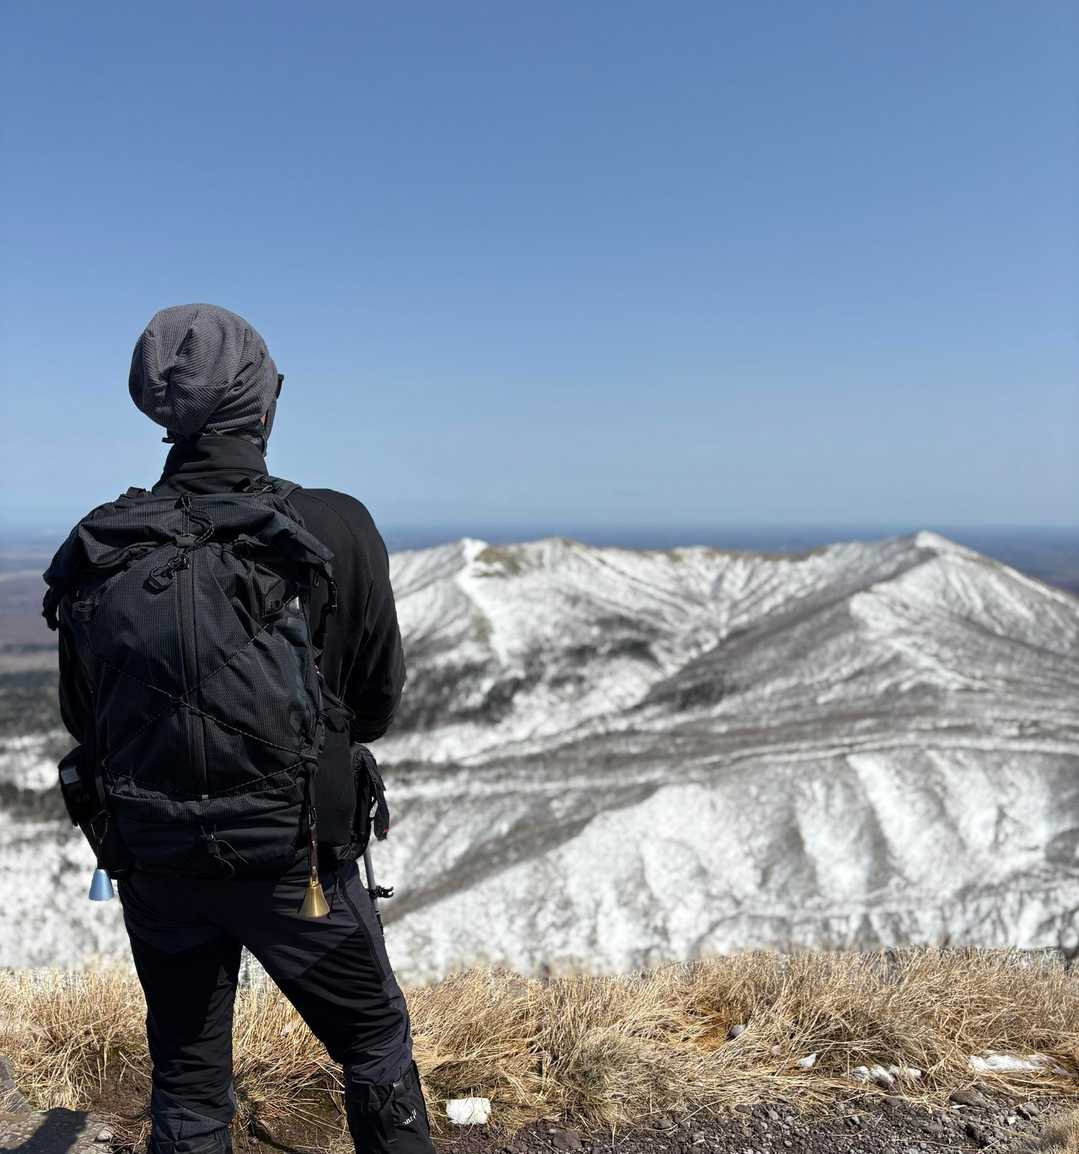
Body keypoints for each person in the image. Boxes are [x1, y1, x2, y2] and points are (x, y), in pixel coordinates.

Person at [49, 304, 433, 1154]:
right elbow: (374, 703)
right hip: (294, 861)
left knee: (188, 1079)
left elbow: (84, 717)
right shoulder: (332, 524)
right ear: (263, 404)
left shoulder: (102, 542)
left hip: (155, 858)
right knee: (372, 1045)